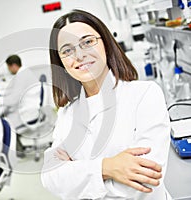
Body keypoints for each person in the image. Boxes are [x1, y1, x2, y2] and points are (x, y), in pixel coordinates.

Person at [41, 9, 171, 199]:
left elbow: (145, 179)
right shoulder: (66, 113)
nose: (79, 55)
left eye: (87, 42)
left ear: (106, 45)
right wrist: (107, 167)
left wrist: (78, 180)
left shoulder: (144, 94)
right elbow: (50, 177)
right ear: (61, 63)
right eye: (67, 50)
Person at [0, 55, 42, 157]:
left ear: (13, 66)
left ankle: (15, 152)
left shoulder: (22, 76)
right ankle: (19, 149)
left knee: (3, 123)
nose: (9, 70)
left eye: (9, 67)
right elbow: (14, 93)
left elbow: (13, 100)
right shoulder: (24, 73)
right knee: (6, 116)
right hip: (32, 109)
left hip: (29, 113)